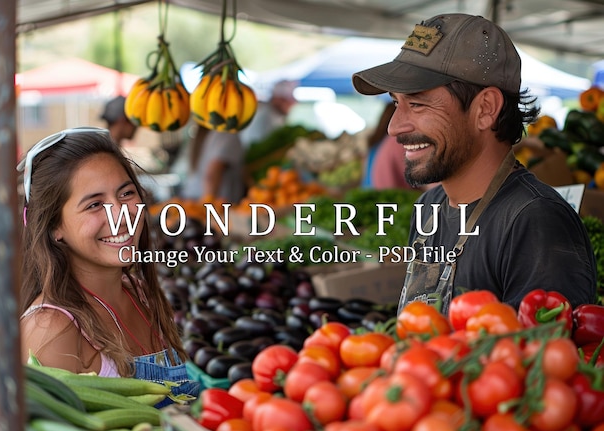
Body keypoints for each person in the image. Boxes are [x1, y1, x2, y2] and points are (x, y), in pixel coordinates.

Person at [352, 13, 597, 314]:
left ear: (485, 109)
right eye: (395, 103)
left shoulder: (534, 222)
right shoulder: (431, 207)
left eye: (416, 103)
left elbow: (541, 357)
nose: (394, 127)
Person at [17, 127, 197, 401]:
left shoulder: (139, 292)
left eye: (126, 194)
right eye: (94, 205)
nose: (121, 216)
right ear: (54, 227)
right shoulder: (51, 331)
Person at [181, 124, 245, 203]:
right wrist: (208, 207)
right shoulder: (226, 134)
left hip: (193, 198)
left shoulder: (207, 135)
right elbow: (211, 175)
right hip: (206, 200)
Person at [240, 80, 298, 150]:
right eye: (287, 100)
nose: (292, 104)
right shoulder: (265, 115)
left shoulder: (275, 115)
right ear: (277, 99)